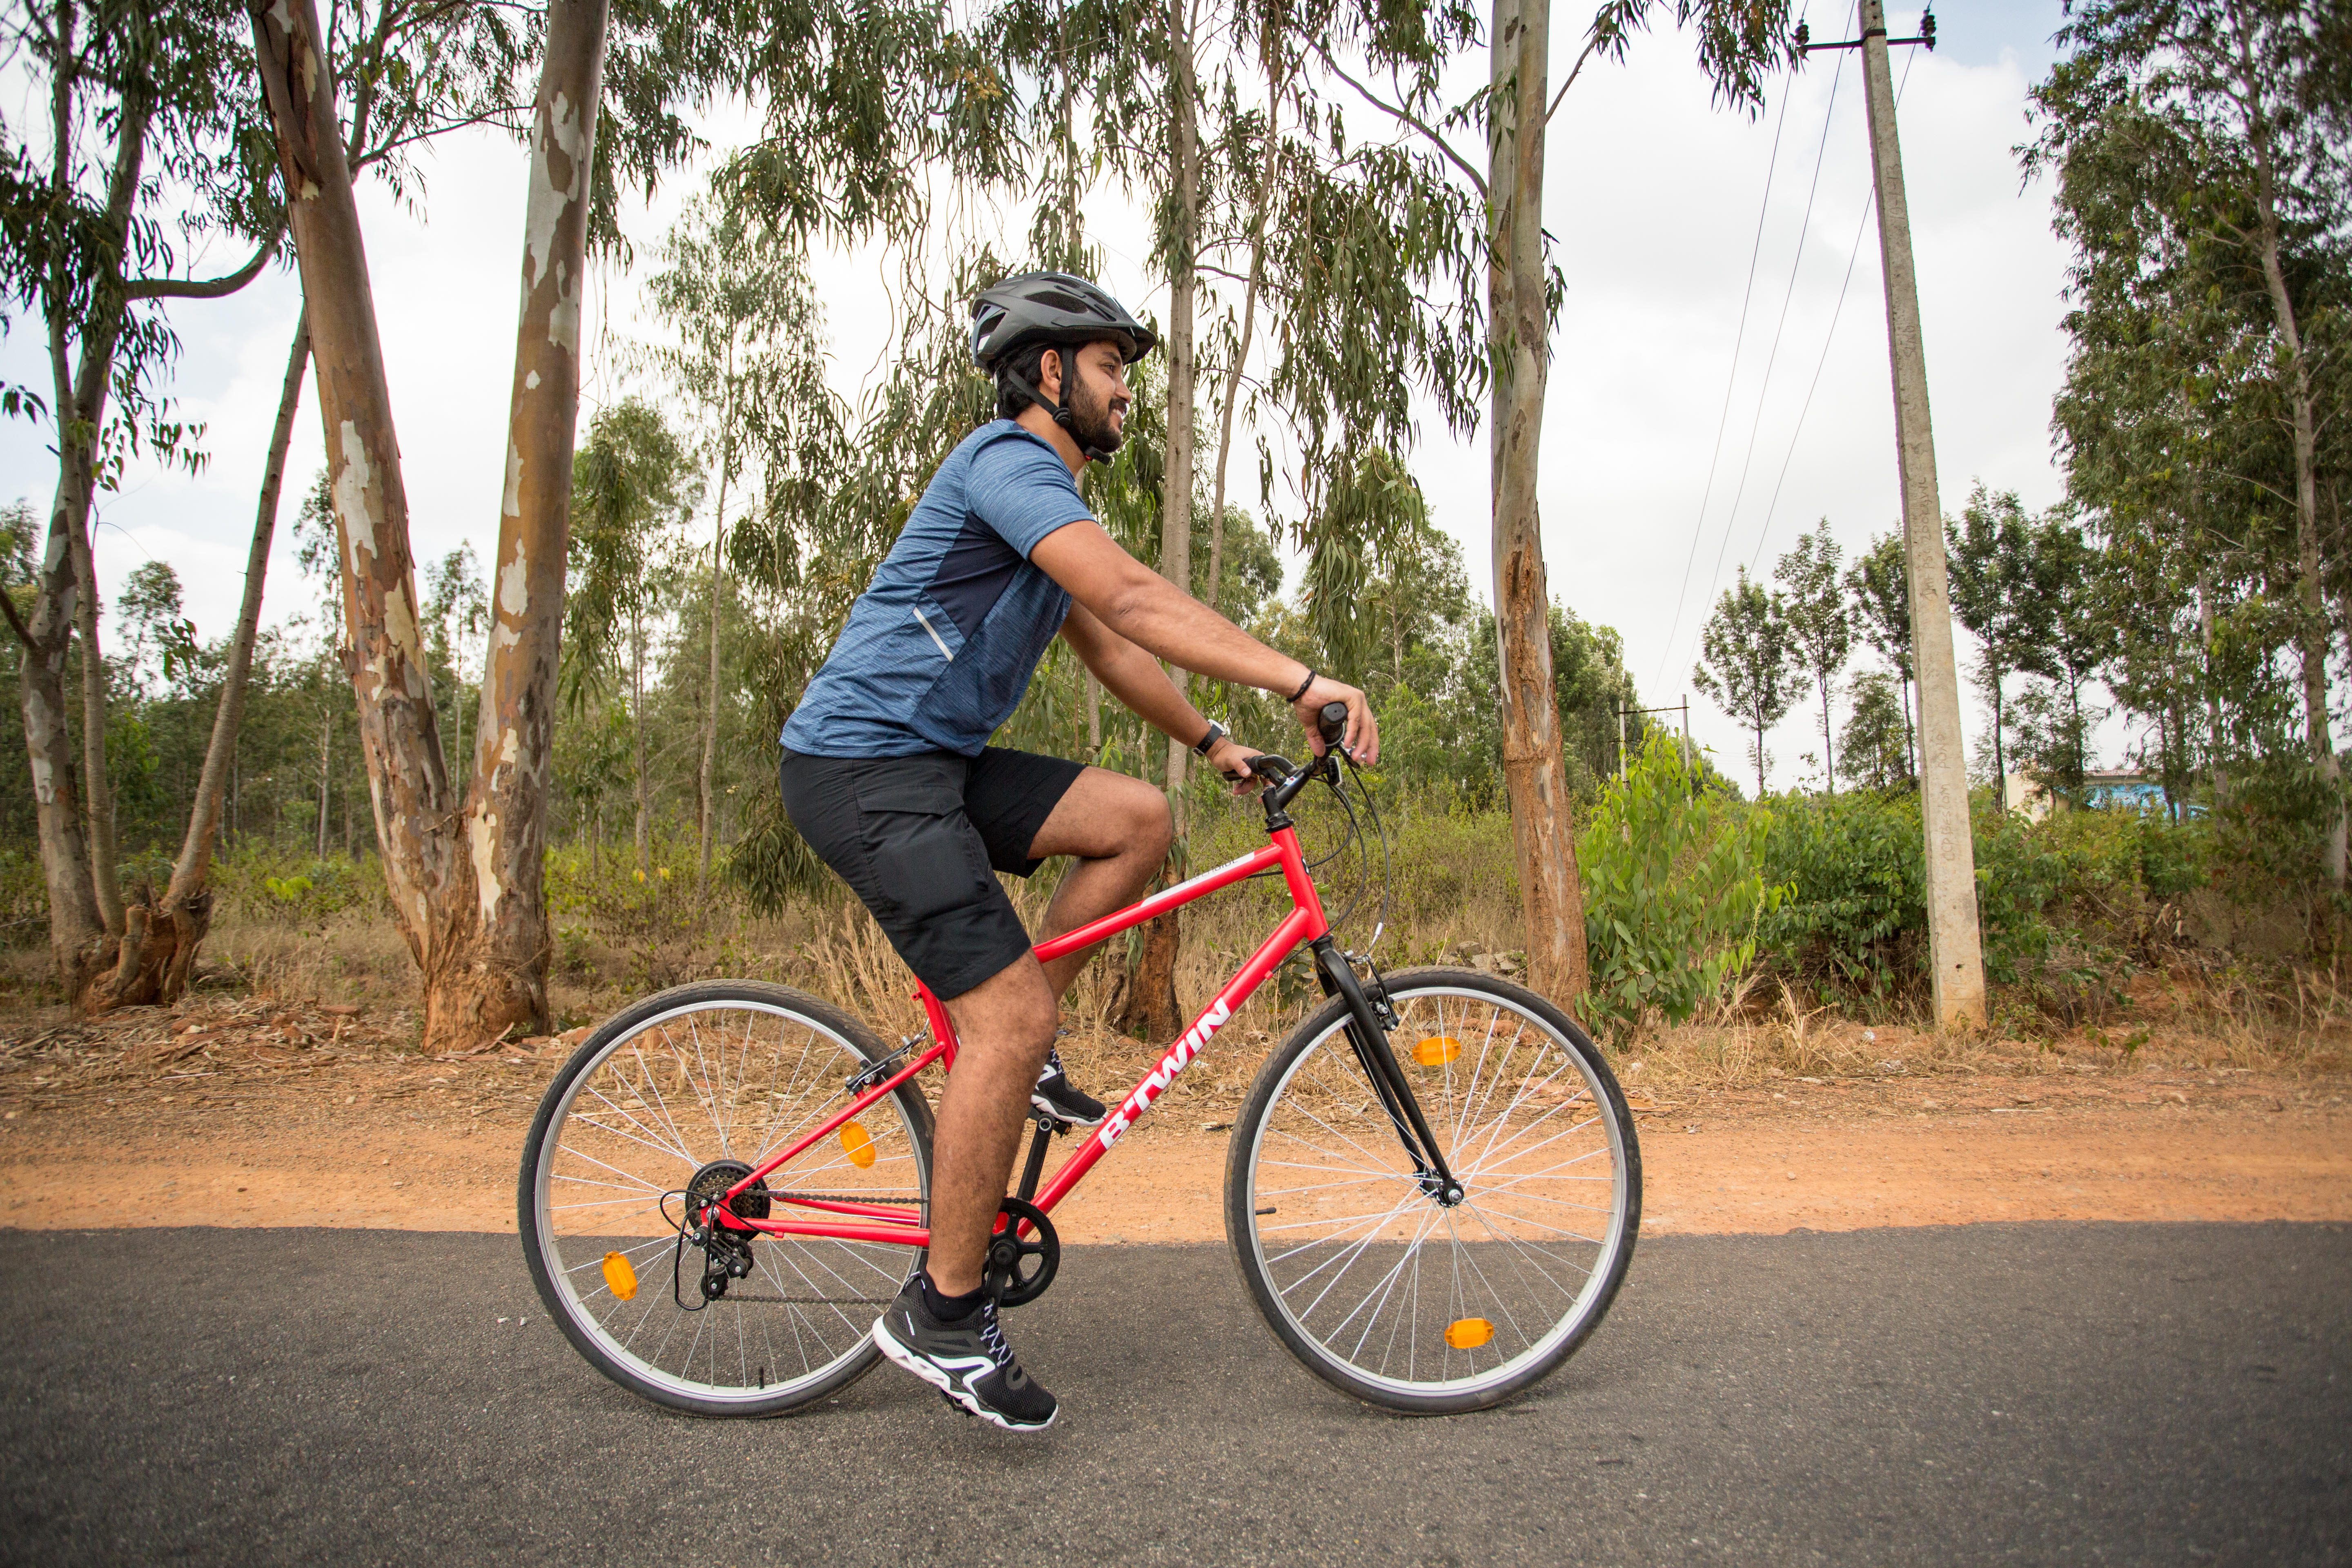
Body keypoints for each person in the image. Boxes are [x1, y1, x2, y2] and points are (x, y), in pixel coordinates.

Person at [777, 272, 1380, 1432]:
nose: (1123, 393)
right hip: (865, 768)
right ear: (1047, 373)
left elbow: (1109, 643)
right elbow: (1137, 599)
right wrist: (1304, 680)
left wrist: (1213, 743)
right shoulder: (1012, 465)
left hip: (932, 760)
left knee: (1135, 822)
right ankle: (943, 1315)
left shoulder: (1046, 502)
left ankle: (1013, 1048)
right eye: (1109, 368)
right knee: (1008, 1018)